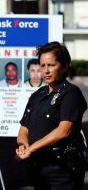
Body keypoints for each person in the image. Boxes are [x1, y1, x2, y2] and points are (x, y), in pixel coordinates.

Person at [16, 41, 87, 189]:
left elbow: (64, 131)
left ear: (65, 65)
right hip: (38, 169)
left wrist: (32, 148)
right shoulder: (36, 96)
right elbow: (24, 128)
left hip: (62, 171)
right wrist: (23, 145)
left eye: (51, 65)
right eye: (42, 66)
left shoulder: (71, 93)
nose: (46, 71)